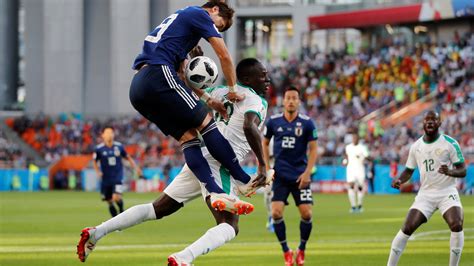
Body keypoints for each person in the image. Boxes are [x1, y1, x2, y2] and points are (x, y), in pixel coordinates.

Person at [77, 58, 273, 265]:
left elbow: (197, 87)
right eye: (262, 75)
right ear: (246, 78)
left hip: (199, 156)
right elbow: (249, 126)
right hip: (221, 162)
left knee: (157, 208)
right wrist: (262, 163)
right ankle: (184, 257)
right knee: (230, 225)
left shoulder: (220, 92)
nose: (267, 79)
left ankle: (96, 232)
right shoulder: (257, 101)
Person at [129, 1, 268, 207]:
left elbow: (183, 79)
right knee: (207, 123)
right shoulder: (198, 14)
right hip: (158, 73)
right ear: (214, 10)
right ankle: (243, 180)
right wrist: (232, 89)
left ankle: (215, 191)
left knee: (189, 137)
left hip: (139, 88)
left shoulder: (179, 31)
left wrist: (209, 99)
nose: (215, 30)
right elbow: (224, 55)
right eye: (219, 26)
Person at [387, 111, 466, 266]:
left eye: (433, 120)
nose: (430, 122)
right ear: (423, 123)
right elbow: (409, 170)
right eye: (427, 120)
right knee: (407, 228)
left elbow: (463, 170)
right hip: (426, 195)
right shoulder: (416, 146)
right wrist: (399, 180)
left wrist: (450, 171)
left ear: (439, 123)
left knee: (456, 224)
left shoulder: (450, 143)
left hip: (447, 192)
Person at [262, 86, 318, 266]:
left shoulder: (308, 123)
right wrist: (267, 168)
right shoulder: (273, 122)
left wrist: (308, 172)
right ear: (283, 101)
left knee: (307, 213)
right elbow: (264, 143)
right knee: (276, 213)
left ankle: (301, 249)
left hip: (300, 176)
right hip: (280, 176)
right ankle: (286, 251)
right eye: (288, 98)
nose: (291, 101)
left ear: (299, 101)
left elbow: (314, 148)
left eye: (295, 98)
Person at [92, 127, 142, 217]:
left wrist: (136, 168)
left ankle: (122, 210)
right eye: (107, 133)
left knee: (116, 197)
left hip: (117, 176)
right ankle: (115, 220)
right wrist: (98, 172)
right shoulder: (99, 149)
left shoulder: (119, 146)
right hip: (106, 178)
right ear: (103, 135)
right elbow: (95, 161)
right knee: (109, 201)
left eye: (111, 132)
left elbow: (128, 157)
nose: (109, 134)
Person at [343, 132, 369, 213]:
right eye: (353, 138)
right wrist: (345, 161)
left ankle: (360, 205)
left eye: (355, 138)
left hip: (360, 169)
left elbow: (367, 156)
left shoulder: (362, 147)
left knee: (360, 187)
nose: (354, 140)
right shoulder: (348, 147)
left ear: (358, 139)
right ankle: (353, 206)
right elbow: (346, 156)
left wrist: (361, 158)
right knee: (351, 186)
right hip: (350, 169)